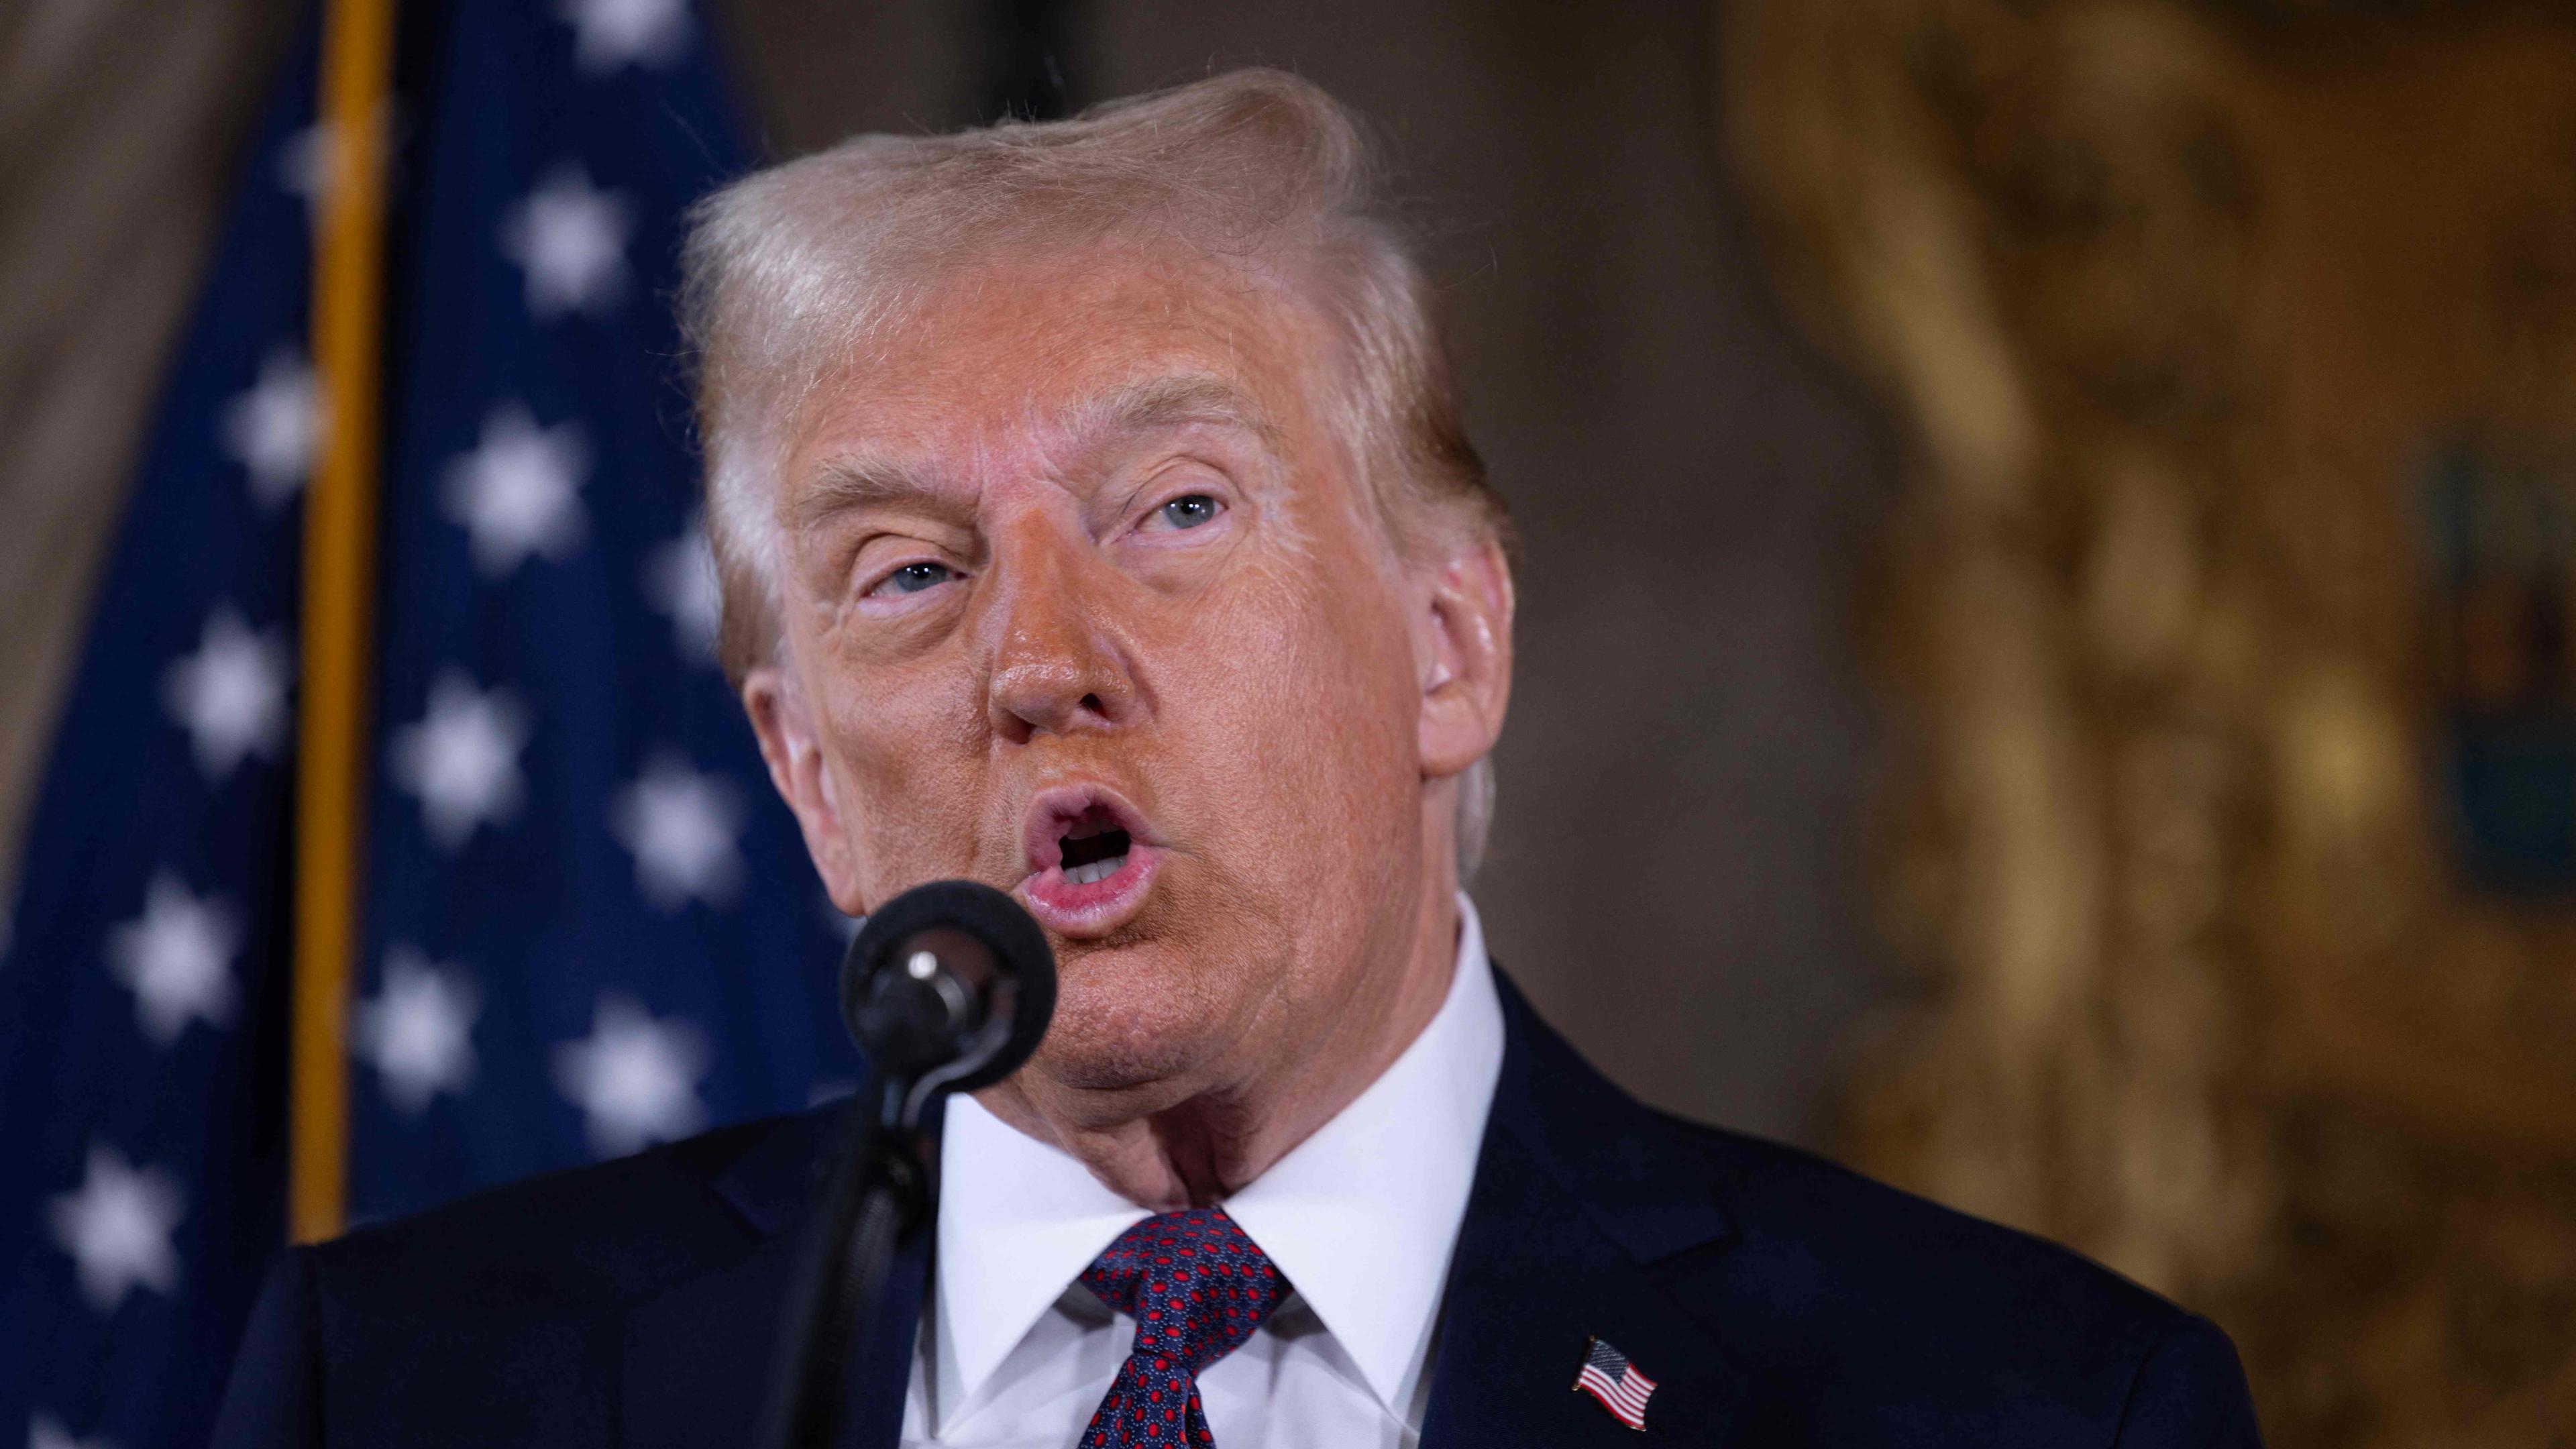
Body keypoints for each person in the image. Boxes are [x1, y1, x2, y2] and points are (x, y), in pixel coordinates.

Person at [211, 69, 2262, 1448]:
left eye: (1177, 511)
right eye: (911, 572)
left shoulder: (2022, 1409)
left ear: (1449, 646)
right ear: (813, 785)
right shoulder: (409, 1389)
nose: (1037, 662)